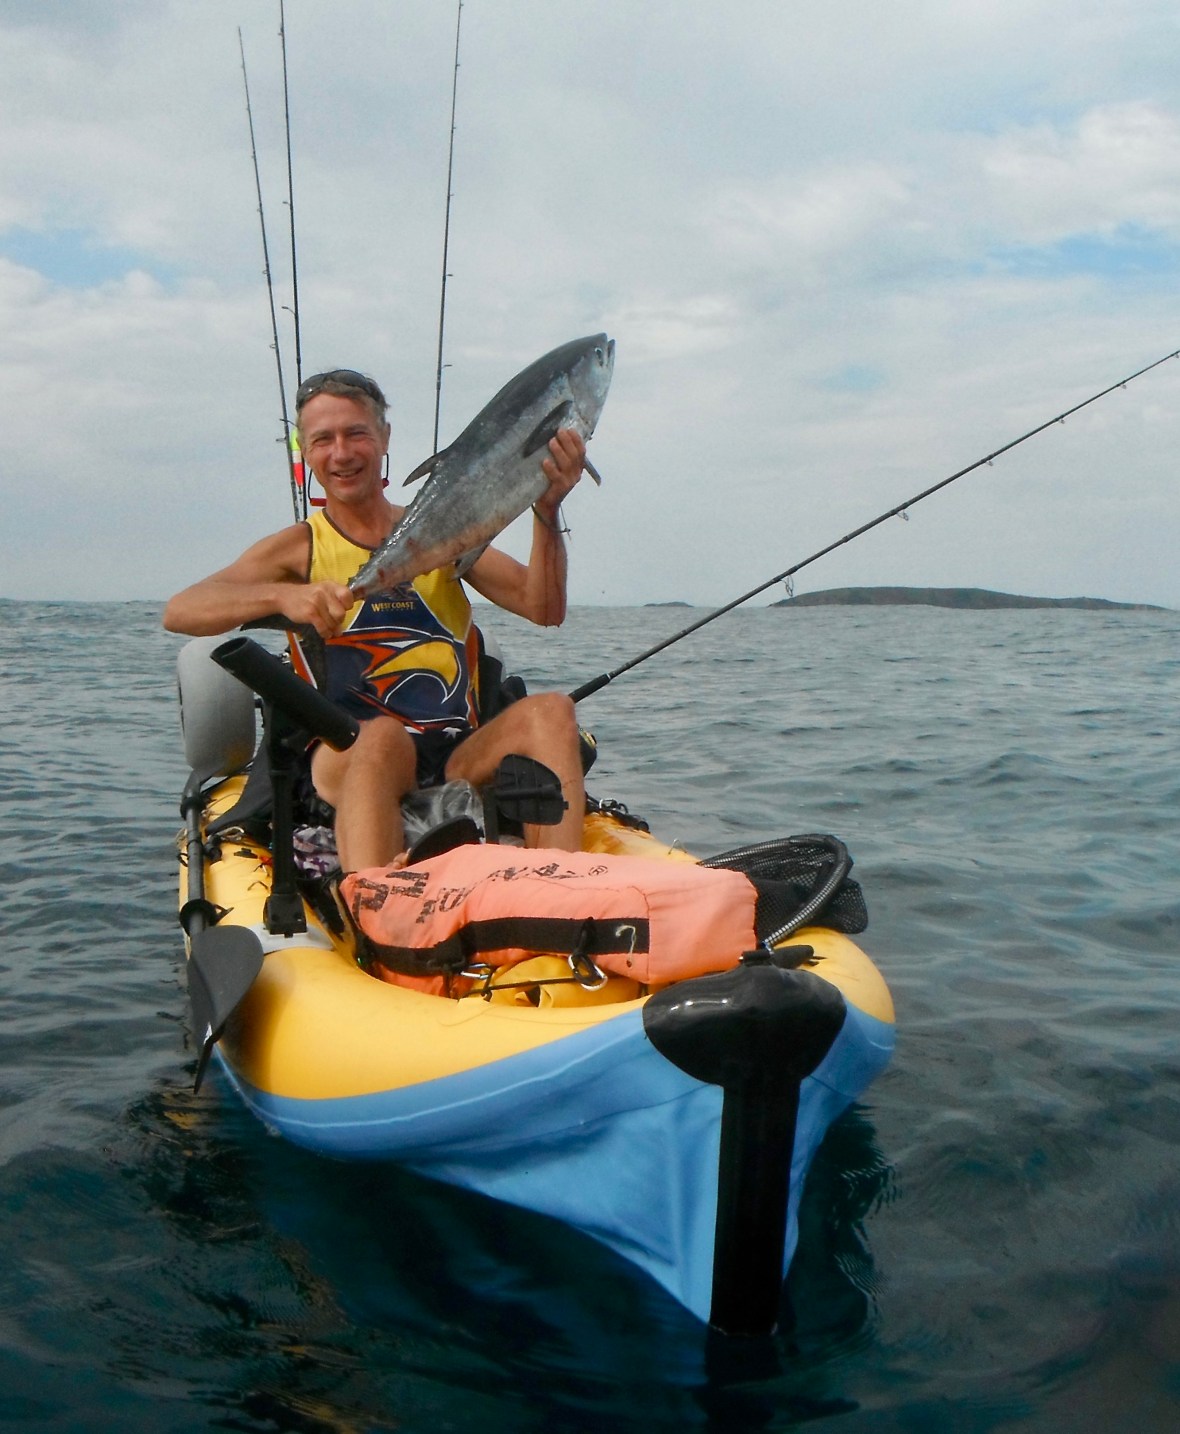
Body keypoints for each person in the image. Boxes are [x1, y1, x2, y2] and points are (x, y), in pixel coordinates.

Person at [163, 367, 588, 871]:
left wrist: (546, 507)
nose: (341, 454)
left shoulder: (441, 530)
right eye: (323, 440)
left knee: (552, 711)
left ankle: (563, 891)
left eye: (356, 433)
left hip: (452, 757)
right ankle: (379, 903)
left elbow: (543, 607)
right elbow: (182, 610)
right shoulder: (301, 546)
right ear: (305, 451)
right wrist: (281, 596)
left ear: (384, 438)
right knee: (380, 736)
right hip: (351, 754)